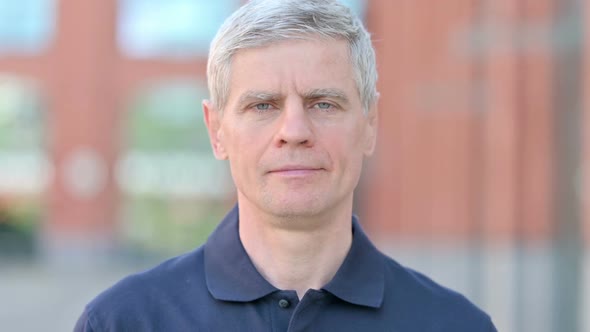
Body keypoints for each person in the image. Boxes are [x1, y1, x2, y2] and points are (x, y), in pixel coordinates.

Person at [75, 0, 497, 331]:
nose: (294, 130)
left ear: (370, 125)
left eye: (324, 103)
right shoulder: (123, 322)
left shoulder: (455, 325)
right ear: (216, 130)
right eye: (263, 105)